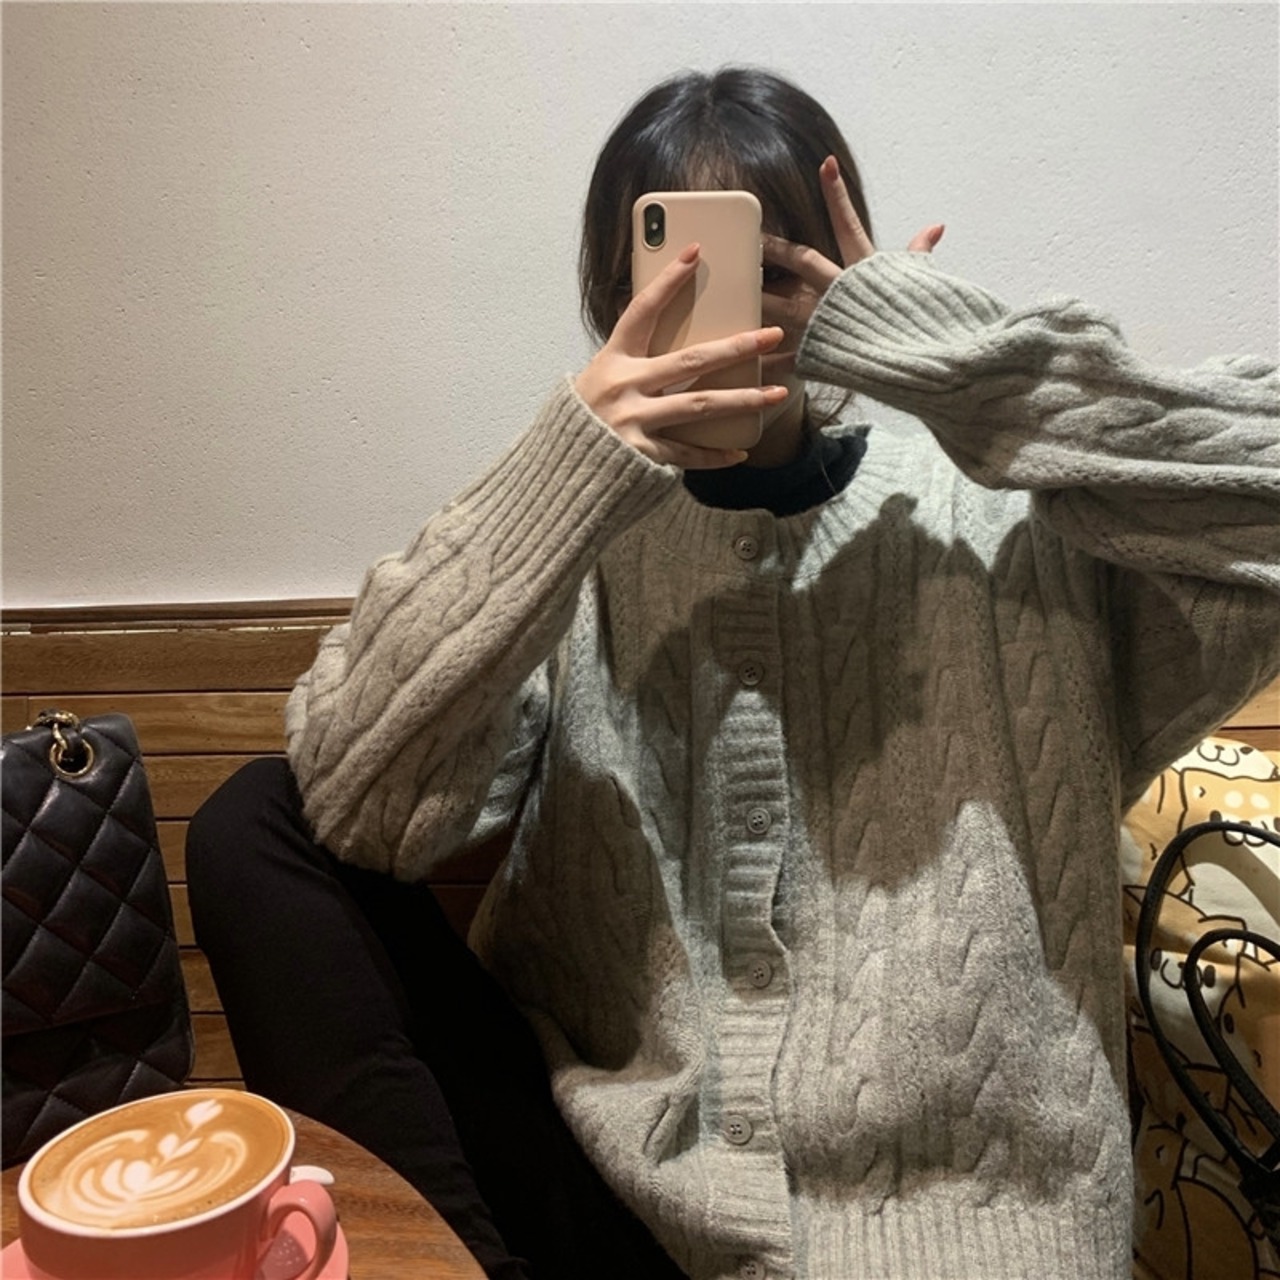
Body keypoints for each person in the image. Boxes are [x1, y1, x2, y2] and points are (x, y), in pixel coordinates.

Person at [187, 66, 1280, 1280]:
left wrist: (968, 369)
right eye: (676, 276)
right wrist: (567, 463)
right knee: (251, 822)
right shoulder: (578, 542)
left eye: (769, 271)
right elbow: (353, 797)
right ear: (613, 300)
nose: (730, 320)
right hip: (610, 1195)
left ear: (841, 281)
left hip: (955, 1238)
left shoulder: (1001, 526)